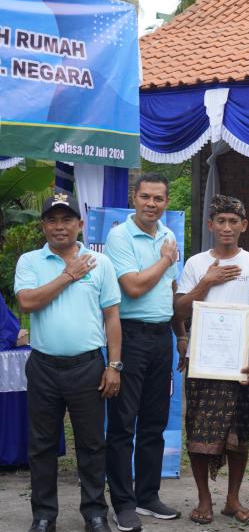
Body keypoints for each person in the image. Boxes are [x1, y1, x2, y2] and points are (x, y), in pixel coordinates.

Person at [15, 194, 122, 532]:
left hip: (88, 366)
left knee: (92, 444)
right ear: (43, 225)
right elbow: (27, 302)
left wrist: (114, 365)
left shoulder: (100, 263)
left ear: (80, 224)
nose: (59, 226)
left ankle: (94, 513)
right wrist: (68, 275)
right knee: (42, 445)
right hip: (44, 366)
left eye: (66, 220)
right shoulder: (30, 261)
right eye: (52, 220)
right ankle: (44, 515)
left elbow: (112, 317)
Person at [174, 195, 249, 526]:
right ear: (211, 225)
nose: (227, 227)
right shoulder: (196, 264)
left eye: (233, 221)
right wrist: (206, 282)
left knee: (238, 433)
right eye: (221, 221)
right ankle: (203, 500)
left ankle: (232, 499)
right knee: (199, 431)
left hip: (239, 363)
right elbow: (180, 311)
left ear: (244, 226)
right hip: (202, 362)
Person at [102, 172, 182, 531]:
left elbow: (172, 287)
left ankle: (147, 496)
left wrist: (180, 334)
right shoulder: (119, 236)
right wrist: (165, 260)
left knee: (155, 421)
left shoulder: (168, 235)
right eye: (146, 197)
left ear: (166, 202)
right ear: (134, 198)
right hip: (130, 337)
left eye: (158, 199)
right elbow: (132, 288)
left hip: (162, 337)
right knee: (123, 424)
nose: (152, 204)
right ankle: (123, 503)